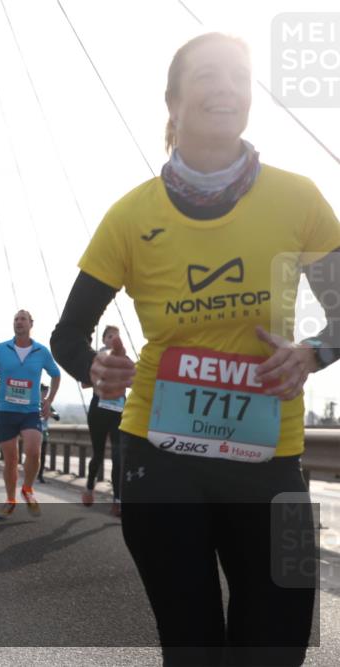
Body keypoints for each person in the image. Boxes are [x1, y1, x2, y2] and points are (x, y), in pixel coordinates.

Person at [50, 33, 339, 666]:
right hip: (160, 457)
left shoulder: (299, 198)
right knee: (194, 648)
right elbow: (67, 336)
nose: (227, 89)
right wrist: (94, 368)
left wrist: (314, 351)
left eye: (239, 76)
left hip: (271, 459)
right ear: (172, 103)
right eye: (208, 76)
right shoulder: (131, 217)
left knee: (278, 646)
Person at [0, 310, 61, 519]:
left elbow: (56, 375)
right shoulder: (1, 350)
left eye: (23, 319)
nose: (19, 322)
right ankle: (10, 500)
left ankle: (27, 489)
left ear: (31, 324)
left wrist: (49, 400)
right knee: (11, 460)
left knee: (34, 451)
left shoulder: (41, 351)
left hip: (30, 412)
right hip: (6, 411)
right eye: (16, 319)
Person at [83, 325, 124, 514]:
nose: (113, 339)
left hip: (117, 412)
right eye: (109, 336)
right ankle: (89, 487)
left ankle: (117, 500)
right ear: (104, 340)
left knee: (118, 456)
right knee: (98, 454)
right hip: (99, 411)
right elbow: (84, 383)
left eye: (116, 336)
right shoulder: (96, 359)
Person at [37, 383, 60, 483]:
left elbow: (57, 416)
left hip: (44, 432)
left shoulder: (47, 403)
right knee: (33, 454)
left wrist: (50, 413)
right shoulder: (33, 402)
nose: (45, 394)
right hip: (34, 431)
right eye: (43, 392)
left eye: (46, 392)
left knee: (42, 455)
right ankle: (31, 472)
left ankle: (40, 475)